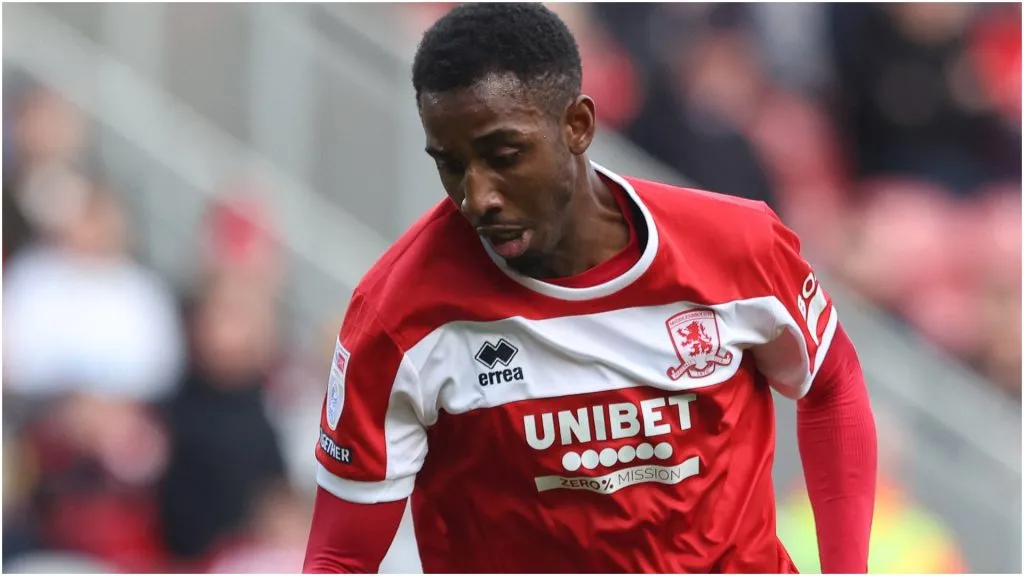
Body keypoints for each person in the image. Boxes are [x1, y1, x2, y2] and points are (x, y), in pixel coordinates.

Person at [304, 3, 877, 573]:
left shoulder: (737, 247)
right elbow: (338, 559)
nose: (477, 197)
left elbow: (832, 385)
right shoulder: (399, 316)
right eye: (450, 164)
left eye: (504, 156)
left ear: (577, 125)